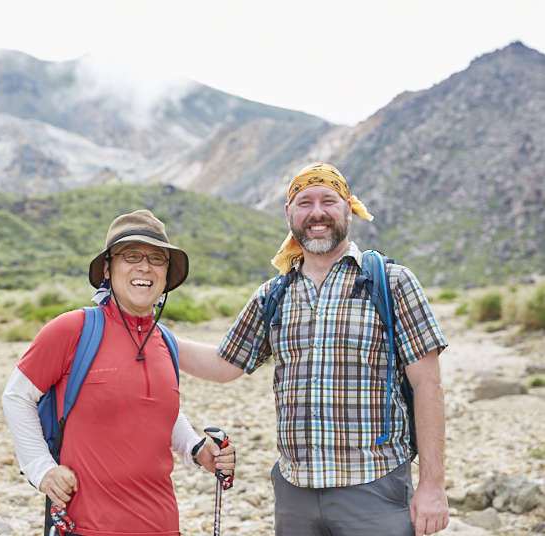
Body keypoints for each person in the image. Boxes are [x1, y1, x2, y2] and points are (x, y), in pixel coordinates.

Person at [177, 162, 448, 536]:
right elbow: (225, 364)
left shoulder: (391, 282)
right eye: (304, 202)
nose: (317, 213)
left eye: (328, 201)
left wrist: (432, 486)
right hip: (295, 493)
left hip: (374, 487)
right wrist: (155, 337)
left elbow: (428, 386)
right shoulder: (274, 294)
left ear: (348, 207)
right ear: (288, 213)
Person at [1, 209, 235, 536]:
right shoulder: (72, 330)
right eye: (131, 256)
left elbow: (157, 411)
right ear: (108, 269)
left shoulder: (165, 342)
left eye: (157, 258)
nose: (144, 267)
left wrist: (197, 450)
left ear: (167, 275)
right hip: (85, 526)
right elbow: (16, 396)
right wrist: (42, 471)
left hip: (163, 525)